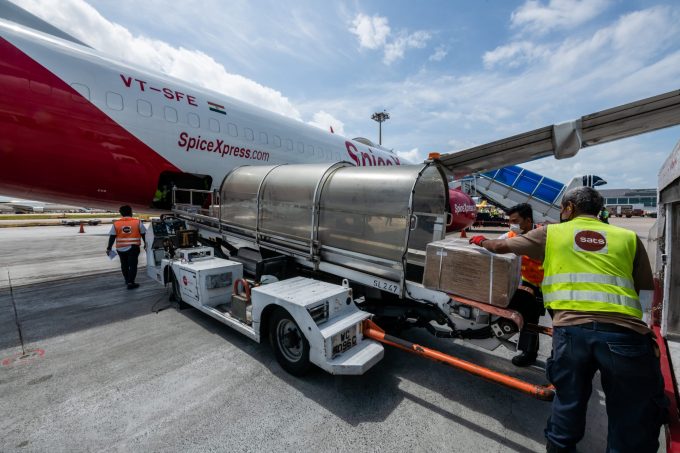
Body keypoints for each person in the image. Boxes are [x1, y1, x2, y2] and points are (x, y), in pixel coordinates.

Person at [468, 187, 666, 452]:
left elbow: (501, 245)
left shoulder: (552, 233)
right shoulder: (628, 237)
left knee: (568, 402)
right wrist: (642, 328)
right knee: (631, 417)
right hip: (625, 333)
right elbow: (644, 290)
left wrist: (480, 241)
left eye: (563, 207)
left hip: (572, 330)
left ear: (570, 208)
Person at [497, 203, 544, 367]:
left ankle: (561, 359)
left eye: (515, 221)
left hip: (551, 285)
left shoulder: (544, 235)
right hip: (529, 283)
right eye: (510, 221)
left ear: (528, 220)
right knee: (529, 320)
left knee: (560, 324)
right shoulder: (511, 235)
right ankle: (529, 354)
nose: (512, 225)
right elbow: (496, 244)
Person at [106, 205, 147, 289]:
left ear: (121, 213)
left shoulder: (116, 223)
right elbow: (143, 234)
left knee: (124, 265)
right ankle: (131, 282)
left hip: (120, 248)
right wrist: (146, 244)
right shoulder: (137, 222)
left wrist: (109, 248)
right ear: (131, 212)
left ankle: (127, 280)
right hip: (133, 247)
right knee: (133, 265)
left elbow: (112, 236)